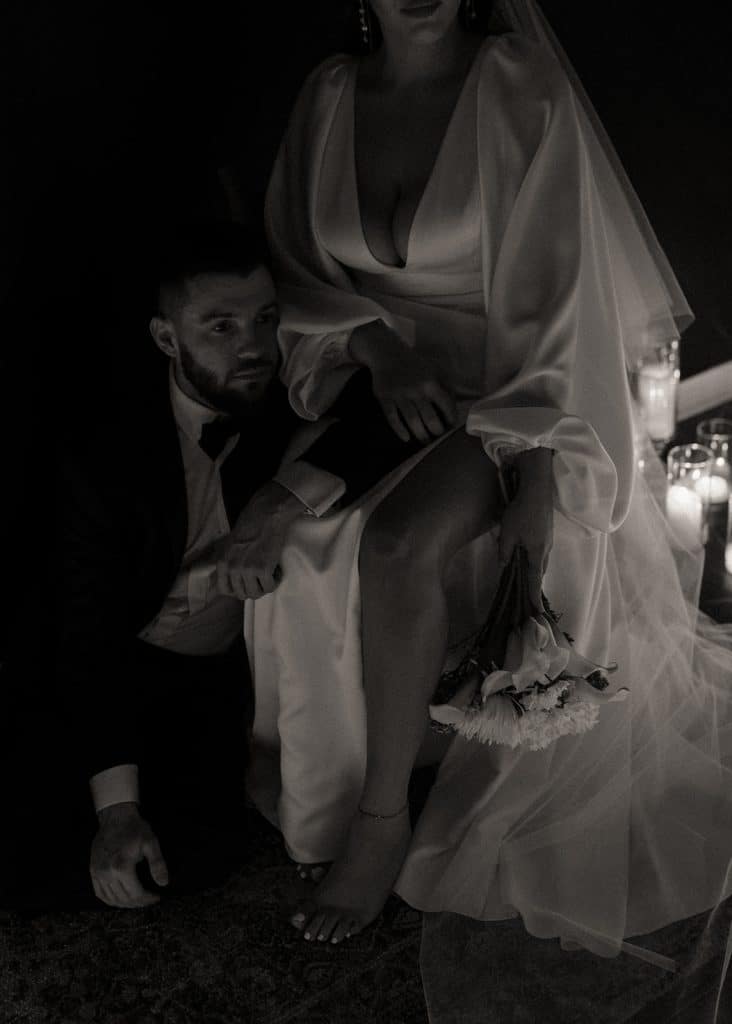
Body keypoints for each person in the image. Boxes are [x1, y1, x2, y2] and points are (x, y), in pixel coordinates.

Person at [251, 0, 732, 972]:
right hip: (376, 384)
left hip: (518, 389)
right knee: (297, 537)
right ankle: (319, 780)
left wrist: (534, 467)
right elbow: (296, 267)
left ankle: (382, 817)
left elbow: (556, 305)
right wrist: (376, 347)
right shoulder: (329, 95)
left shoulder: (521, 85)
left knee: (394, 546)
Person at [9, 222, 410, 913]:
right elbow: (87, 634)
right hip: (111, 656)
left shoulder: (281, 388)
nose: (251, 346)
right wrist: (115, 810)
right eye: (219, 327)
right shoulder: (103, 450)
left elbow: (388, 412)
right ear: (167, 338)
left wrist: (276, 507)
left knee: (198, 856)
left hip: (211, 678)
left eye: (264, 320)